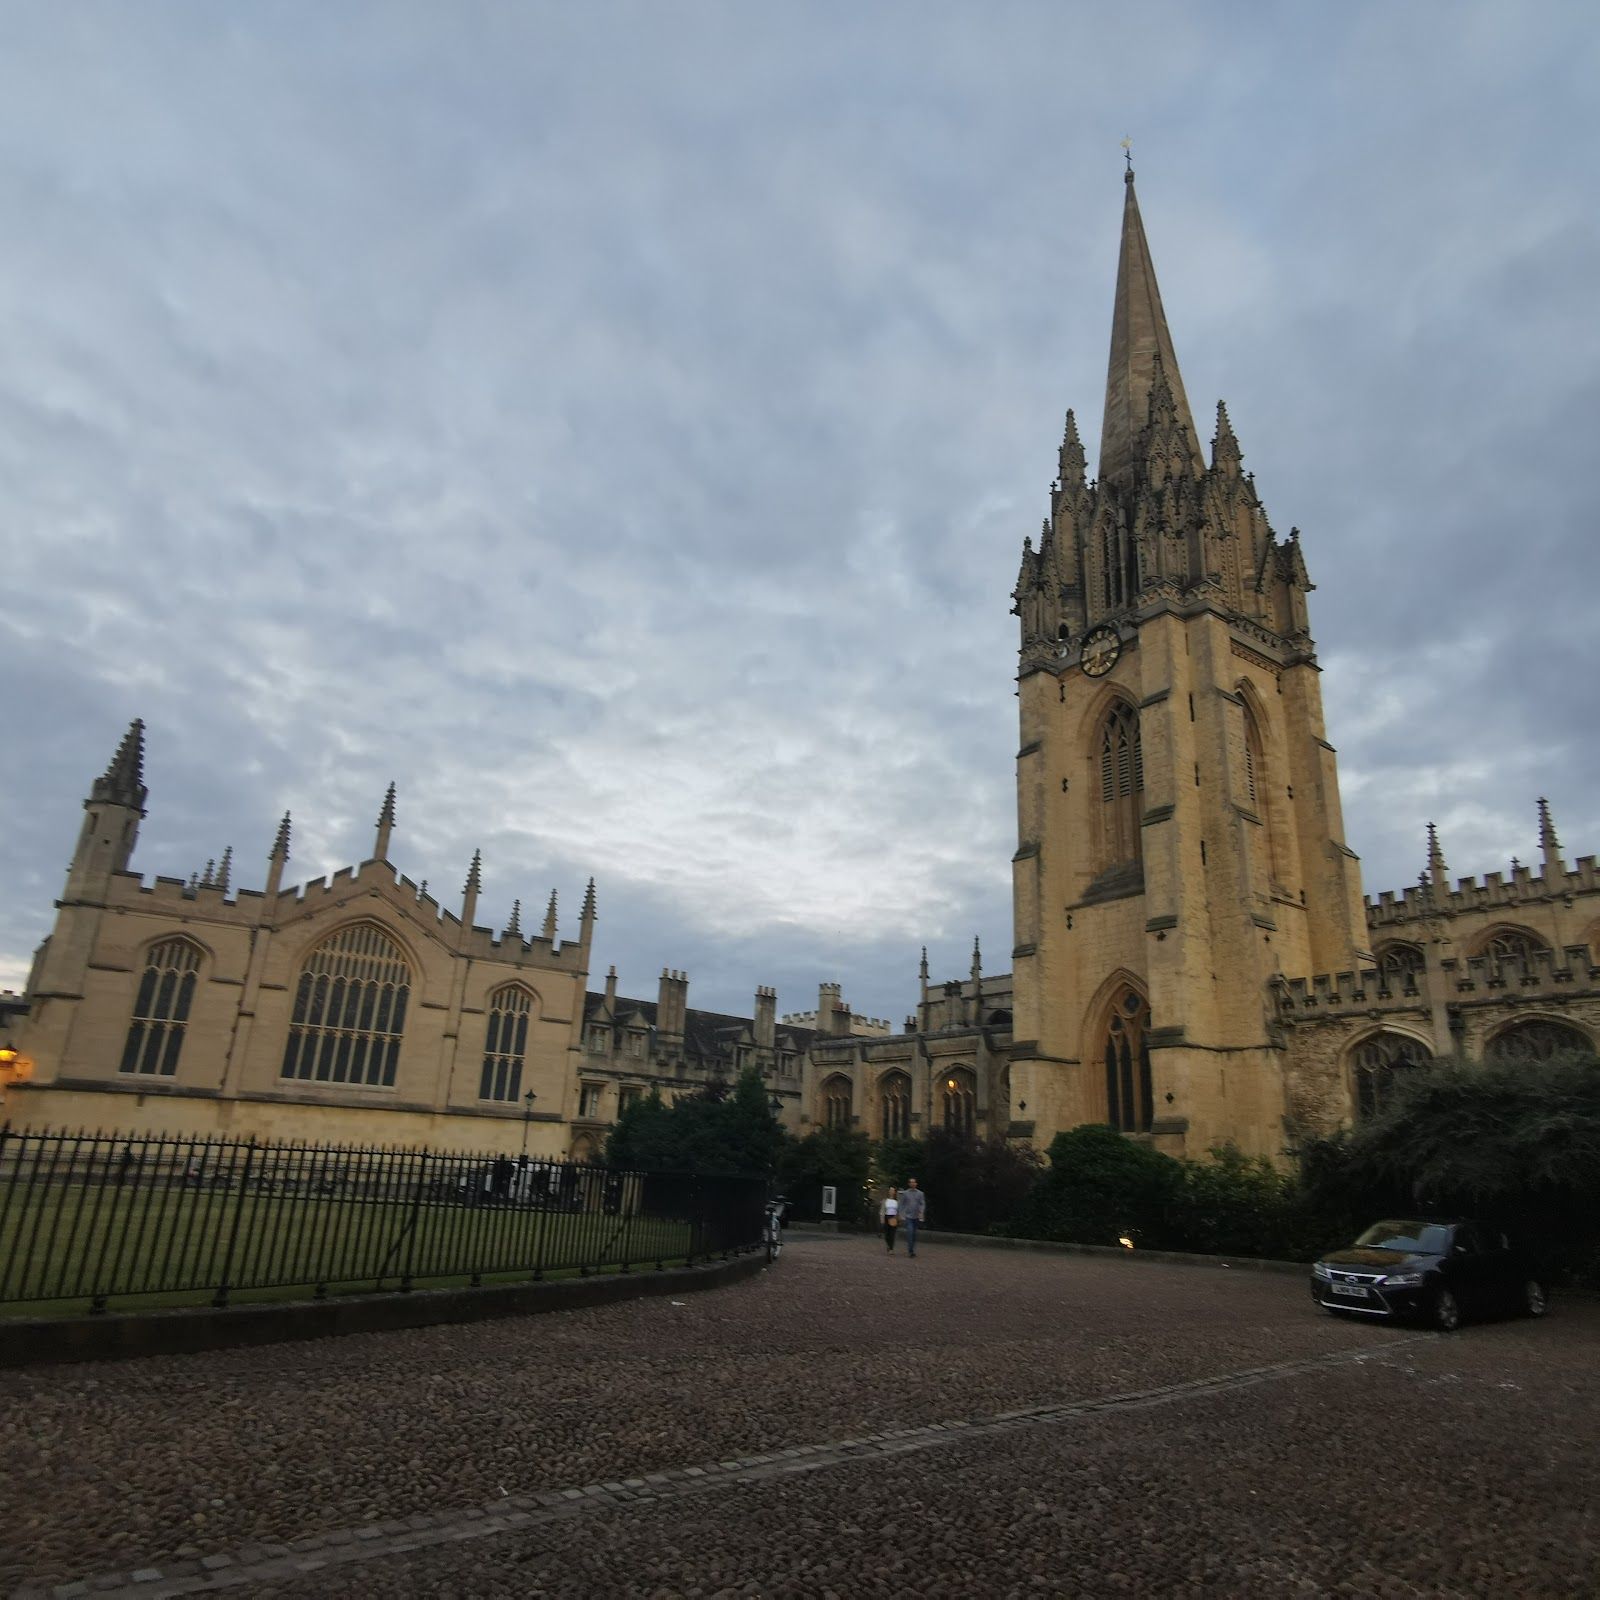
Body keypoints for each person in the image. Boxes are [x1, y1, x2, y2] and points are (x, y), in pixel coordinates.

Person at [898, 1177, 926, 1256]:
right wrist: (900, 1214)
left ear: (916, 1184)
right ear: (909, 1184)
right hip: (908, 1216)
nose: (913, 1184)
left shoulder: (920, 1193)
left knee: (914, 1234)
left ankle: (912, 1249)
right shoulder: (905, 1193)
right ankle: (910, 1251)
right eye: (911, 1182)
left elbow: (922, 1203)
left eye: (914, 1182)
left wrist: (921, 1212)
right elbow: (901, 1204)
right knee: (910, 1232)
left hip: (916, 1216)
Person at [880, 1186, 900, 1252]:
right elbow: (882, 1210)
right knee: (887, 1234)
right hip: (886, 1217)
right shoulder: (885, 1200)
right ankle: (888, 1245)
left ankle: (891, 1248)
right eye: (890, 1190)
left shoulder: (897, 1201)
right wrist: (882, 1219)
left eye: (893, 1190)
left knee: (892, 1234)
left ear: (895, 1192)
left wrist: (897, 1217)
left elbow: (899, 1210)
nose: (891, 1192)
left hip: (893, 1217)